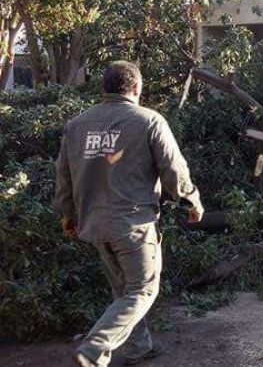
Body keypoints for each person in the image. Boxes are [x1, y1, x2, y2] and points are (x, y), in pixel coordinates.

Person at [53, 61, 204, 367]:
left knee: (122, 289)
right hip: (132, 224)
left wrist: (68, 215)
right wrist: (191, 200)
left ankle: (138, 347)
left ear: (104, 88)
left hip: (94, 224)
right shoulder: (149, 121)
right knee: (142, 290)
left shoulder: (76, 125)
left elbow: (64, 177)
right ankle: (94, 349)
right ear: (137, 87)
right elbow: (173, 168)